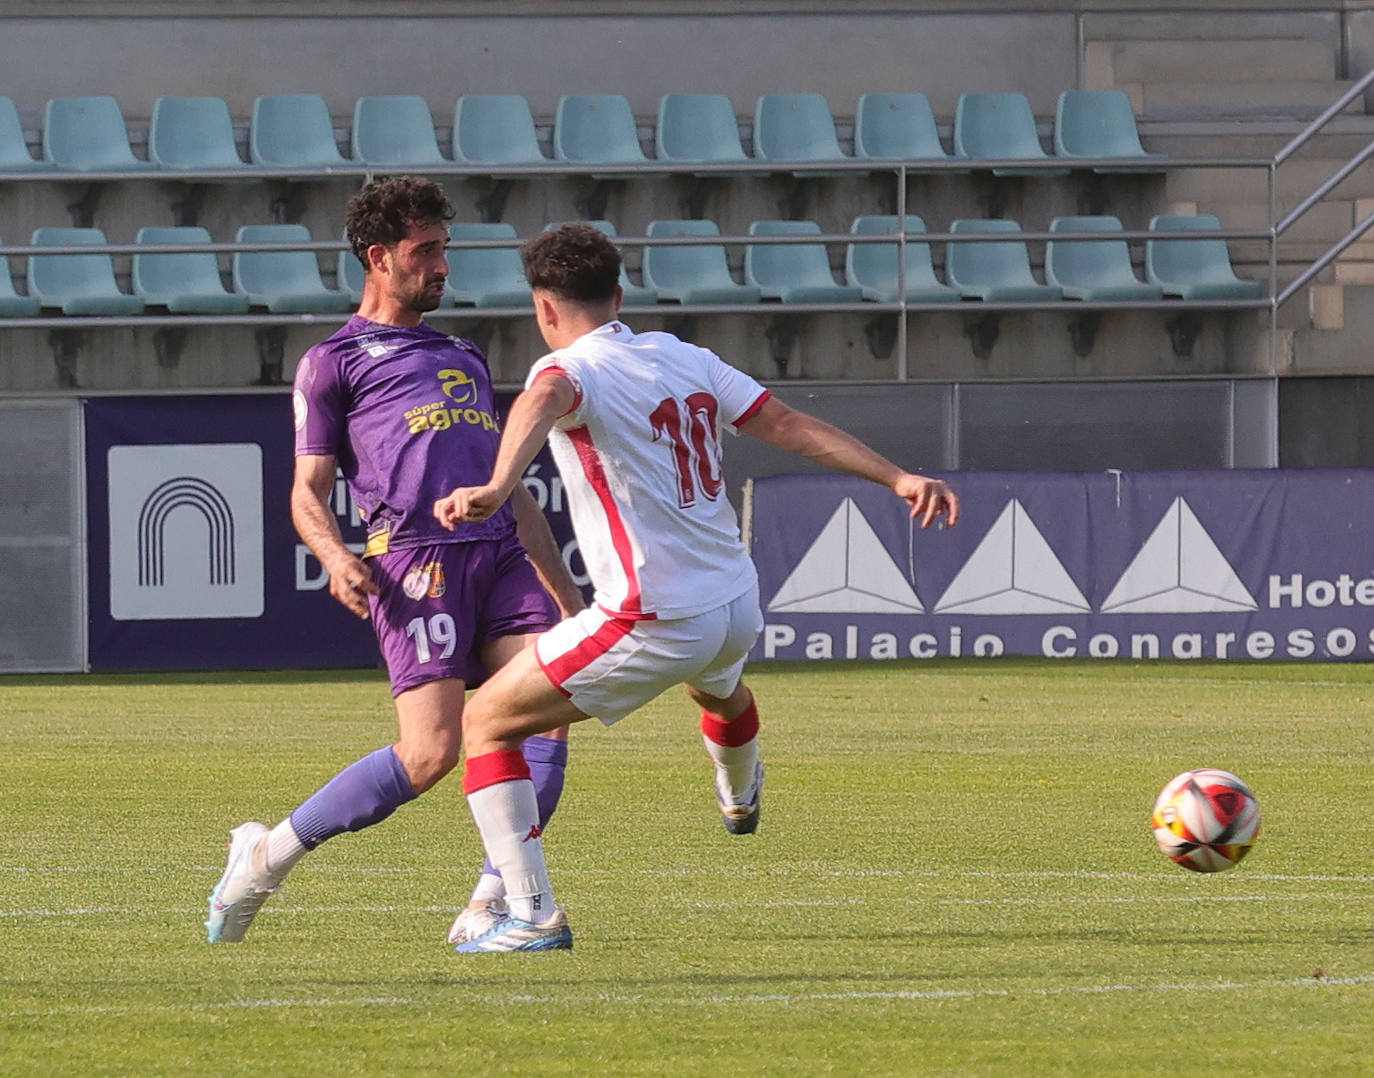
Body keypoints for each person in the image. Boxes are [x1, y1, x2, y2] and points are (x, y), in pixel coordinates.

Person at [432, 223, 960, 952]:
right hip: (735, 602)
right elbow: (789, 423)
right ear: (619, 295)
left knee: (487, 721)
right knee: (717, 693)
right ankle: (740, 792)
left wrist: (496, 483)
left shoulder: (567, 370)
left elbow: (542, 397)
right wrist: (897, 476)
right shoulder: (686, 356)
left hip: (649, 617)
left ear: (544, 310)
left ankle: (527, 915)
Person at [205, 177, 584, 946]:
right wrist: (335, 555)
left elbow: (507, 486)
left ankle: (500, 904)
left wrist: (566, 593)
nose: (443, 266)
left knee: (546, 718)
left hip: (501, 555)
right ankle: (265, 855)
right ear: (379, 257)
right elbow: (306, 491)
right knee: (430, 754)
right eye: (426, 251)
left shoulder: (462, 353)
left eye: (446, 249)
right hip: (418, 566)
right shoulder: (334, 362)